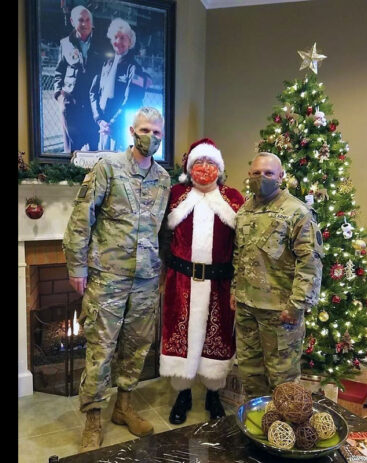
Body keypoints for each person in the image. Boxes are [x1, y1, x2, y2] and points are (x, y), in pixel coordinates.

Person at [63, 107, 171, 452]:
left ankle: (123, 407)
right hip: (107, 277)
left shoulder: (164, 180)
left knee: (136, 347)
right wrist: (77, 267)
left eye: (156, 132)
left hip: (145, 279)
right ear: (130, 130)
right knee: (100, 349)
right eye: (144, 130)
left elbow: (161, 232)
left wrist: (162, 272)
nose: (150, 137)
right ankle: (93, 418)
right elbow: (82, 219)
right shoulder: (107, 168)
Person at [158, 139, 245, 424]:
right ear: (189, 167)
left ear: (219, 168)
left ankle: (213, 394)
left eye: (210, 163)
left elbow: (244, 243)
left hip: (219, 284)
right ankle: (182, 394)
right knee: (179, 336)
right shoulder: (176, 195)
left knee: (216, 337)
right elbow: (159, 233)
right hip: (181, 281)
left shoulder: (233, 199)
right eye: (198, 163)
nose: (204, 169)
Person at [231, 152, 324, 398]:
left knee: (283, 382)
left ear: (281, 177)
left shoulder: (298, 212)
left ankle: (285, 431)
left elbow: (310, 263)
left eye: (269, 173)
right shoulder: (244, 211)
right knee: (250, 375)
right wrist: (234, 291)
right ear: (249, 176)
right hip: (246, 308)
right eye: (256, 173)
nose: (262, 178)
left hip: (281, 312)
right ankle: (258, 425)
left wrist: (297, 306)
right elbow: (239, 255)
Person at [90, 18, 150, 152]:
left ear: (130, 41)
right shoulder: (106, 64)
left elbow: (132, 101)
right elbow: (93, 92)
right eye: (115, 37)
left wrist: (112, 123)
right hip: (103, 128)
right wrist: (99, 119)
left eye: (123, 38)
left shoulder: (135, 68)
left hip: (120, 128)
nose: (118, 42)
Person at [53, 5, 101, 153]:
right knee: (72, 149)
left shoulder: (102, 42)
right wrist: (59, 95)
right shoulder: (65, 43)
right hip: (71, 103)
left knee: (94, 145)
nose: (85, 24)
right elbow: (59, 72)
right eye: (81, 20)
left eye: (88, 20)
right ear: (73, 21)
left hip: (93, 103)